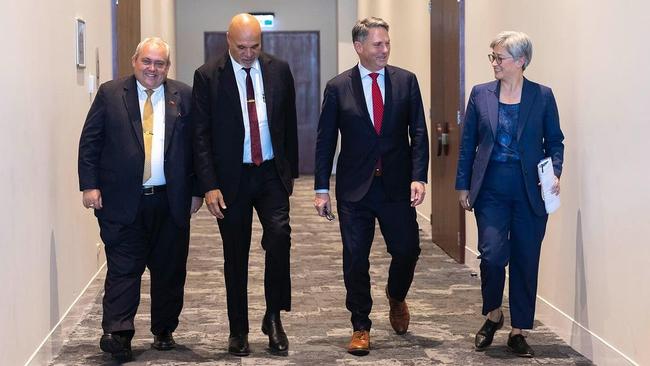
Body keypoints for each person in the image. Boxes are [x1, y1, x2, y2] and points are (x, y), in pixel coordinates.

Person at [78, 37, 203, 362]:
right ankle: (118, 333)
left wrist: (197, 190)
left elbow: (198, 148)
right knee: (123, 268)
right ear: (134, 61)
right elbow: (90, 141)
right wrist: (89, 185)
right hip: (122, 200)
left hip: (170, 201)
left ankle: (164, 329)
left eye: (159, 63)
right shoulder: (110, 93)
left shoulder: (184, 96)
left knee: (169, 270)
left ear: (168, 67)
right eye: (147, 61)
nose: (152, 69)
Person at [314, 17, 429, 356]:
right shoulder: (338, 87)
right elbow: (325, 142)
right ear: (359, 47)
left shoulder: (406, 81)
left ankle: (396, 295)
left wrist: (418, 176)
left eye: (387, 43)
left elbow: (419, 133)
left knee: (408, 250)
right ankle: (360, 325)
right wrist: (321, 188)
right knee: (355, 259)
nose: (385, 50)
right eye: (378, 45)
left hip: (396, 186)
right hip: (354, 190)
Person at [192, 13, 298, 357]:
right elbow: (201, 136)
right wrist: (208, 184)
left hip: (270, 173)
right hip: (230, 180)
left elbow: (289, 124)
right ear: (228, 40)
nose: (249, 53)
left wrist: (289, 175)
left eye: (255, 46)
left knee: (280, 238)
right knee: (235, 255)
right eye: (242, 47)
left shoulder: (279, 70)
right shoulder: (207, 76)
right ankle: (238, 330)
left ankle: (273, 316)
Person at [455, 31, 564, 357]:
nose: (494, 63)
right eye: (493, 57)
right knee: (491, 254)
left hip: (530, 191)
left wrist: (555, 171)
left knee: (526, 259)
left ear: (520, 61)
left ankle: (518, 330)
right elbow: (467, 144)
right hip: (491, 188)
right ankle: (494, 314)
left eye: (499, 58)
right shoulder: (480, 94)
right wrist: (463, 184)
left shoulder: (542, 97)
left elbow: (555, 141)